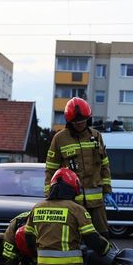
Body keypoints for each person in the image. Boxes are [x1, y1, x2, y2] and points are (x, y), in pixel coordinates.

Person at [25, 168, 110, 265]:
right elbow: (92, 240)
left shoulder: (37, 208)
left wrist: (38, 259)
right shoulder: (76, 209)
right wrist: (106, 247)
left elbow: (29, 240)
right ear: (74, 188)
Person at [44, 97, 114, 239]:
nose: (80, 125)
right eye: (76, 122)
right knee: (74, 237)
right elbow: (51, 169)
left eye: (82, 121)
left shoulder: (96, 136)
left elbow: (104, 165)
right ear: (69, 122)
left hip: (96, 203)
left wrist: (107, 191)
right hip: (72, 201)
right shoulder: (59, 139)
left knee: (102, 237)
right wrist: (49, 195)